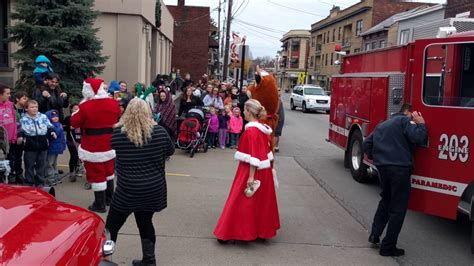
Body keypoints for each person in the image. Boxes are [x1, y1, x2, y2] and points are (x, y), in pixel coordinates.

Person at [105, 98, 174, 266]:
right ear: (147, 112)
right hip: (153, 188)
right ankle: (149, 260)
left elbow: (110, 148)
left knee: (111, 227)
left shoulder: (118, 135)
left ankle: (104, 259)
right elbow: (170, 151)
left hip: (128, 190)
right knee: (145, 222)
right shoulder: (159, 133)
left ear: (127, 113)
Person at [363, 103, 427, 257]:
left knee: (385, 201)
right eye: (413, 114)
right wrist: (421, 124)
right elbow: (418, 137)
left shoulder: (382, 124)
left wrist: (376, 158)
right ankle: (388, 247)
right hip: (400, 169)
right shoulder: (404, 121)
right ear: (407, 112)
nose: (414, 117)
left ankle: (375, 234)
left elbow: (366, 144)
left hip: (383, 169)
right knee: (398, 209)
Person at [214, 99, 280, 242]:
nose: (243, 112)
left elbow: (254, 157)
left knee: (240, 200)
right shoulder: (262, 128)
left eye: (244, 109)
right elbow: (267, 152)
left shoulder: (251, 131)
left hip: (250, 170)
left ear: (249, 112)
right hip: (264, 170)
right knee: (261, 202)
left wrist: (250, 177)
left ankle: (232, 232)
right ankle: (260, 231)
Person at [71, 78, 121, 213]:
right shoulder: (113, 103)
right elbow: (117, 117)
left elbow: (74, 122)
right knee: (109, 172)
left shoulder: (85, 106)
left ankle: (100, 204)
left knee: (96, 174)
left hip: (92, 146)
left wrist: (78, 109)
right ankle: (110, 199)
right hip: (110, 144)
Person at [20, 100, 56, 187]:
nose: (34, 109)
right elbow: (20, 130)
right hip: (30, 144)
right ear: (26, 109)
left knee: (41, 165)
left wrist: (52, 131)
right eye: (32, 107)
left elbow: (50, 125)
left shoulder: (42, 116)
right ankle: (29, 182)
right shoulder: (23, 119)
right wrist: (20, 136)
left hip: (42, 143)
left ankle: (40, 182)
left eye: (36, 107)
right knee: (29, 165)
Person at [9, 91, 28, 183]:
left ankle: (19, 174)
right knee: (11, 156)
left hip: (23, 137)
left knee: (19, 156)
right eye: (24, 98)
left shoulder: (26, 110)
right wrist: (18, 135)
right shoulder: (12, 109)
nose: (26, 100)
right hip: (13, 137)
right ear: (17, 99)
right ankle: (11, 175)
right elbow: (14, 124)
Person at [0, 85, 18, 183]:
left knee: (10, 162)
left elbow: (14, 121)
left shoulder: (10, 104)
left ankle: (10, 180)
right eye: (7, 93)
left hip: (11, 139)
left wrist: (15, 136)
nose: (9, 95)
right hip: (1, 142)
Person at [45, 109, 66, 186]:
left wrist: (63, 146)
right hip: (51, 147)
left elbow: (62, 138)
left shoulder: (59, 124)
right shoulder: (50, 126)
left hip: (57, 147)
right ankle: (50, 178)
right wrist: (60, 129)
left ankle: (55, 177)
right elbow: (54, 134)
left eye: (56, 116)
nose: (55, 118)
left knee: (54, 163)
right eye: (53, 116)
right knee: (49, 163)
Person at [63, 104, 81, 182]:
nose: (76, 111)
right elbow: (63, 126)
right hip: (71, 140)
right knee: (74, 155)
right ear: (71, 110)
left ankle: (77, 170)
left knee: (80, 156)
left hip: (80, 140)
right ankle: (71, 172)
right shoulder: (68, 118)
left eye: (78, 109)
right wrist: (69, 127)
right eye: (74, 109)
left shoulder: (82, 118)